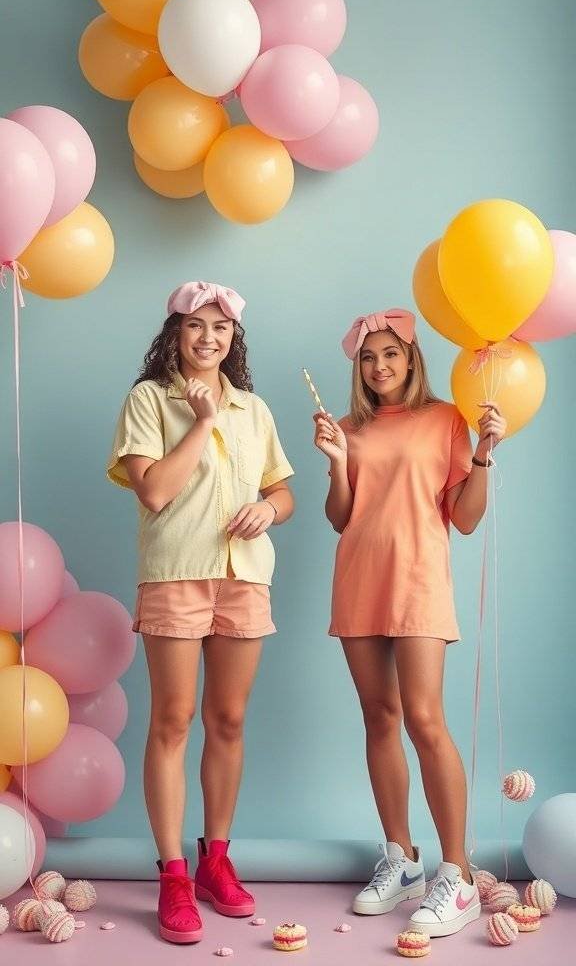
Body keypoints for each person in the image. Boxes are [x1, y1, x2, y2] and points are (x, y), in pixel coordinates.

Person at [107, 280, 294, 944]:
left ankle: (217, 858)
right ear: (175, 336)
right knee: (173, 719)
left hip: (245, 577)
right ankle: (174, 875)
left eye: (220, 329)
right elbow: (155, 491)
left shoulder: (255, 408)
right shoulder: (148, 400)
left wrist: (270, 509)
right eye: (195, 327)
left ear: (232, 339)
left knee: (230, 718)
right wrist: (205, 420)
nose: (208, 338)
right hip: (176, 575)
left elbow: (282, 489)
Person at [313, 308, 506, 938]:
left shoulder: (445, 418)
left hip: (419, 581)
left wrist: (483, 455)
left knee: (425, 719)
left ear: (411, 357)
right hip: (359, 580)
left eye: (391, 354)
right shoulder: (348, 426)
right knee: (380, 718)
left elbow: (466, 518)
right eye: (368, 357)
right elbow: (341, 517)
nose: (379, 367)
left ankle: (459, 873)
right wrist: (338, 461)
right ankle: (402, 859)